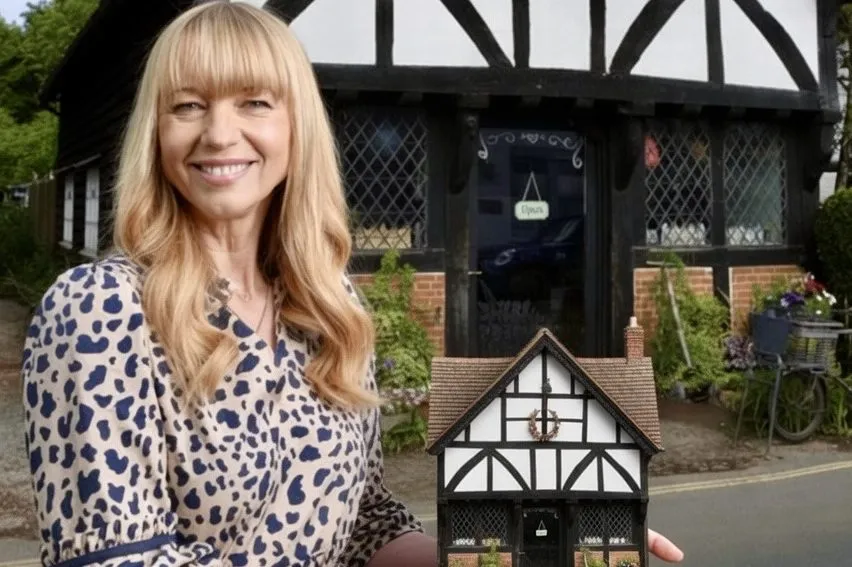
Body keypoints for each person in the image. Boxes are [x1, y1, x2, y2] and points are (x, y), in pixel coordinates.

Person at [20, 2, 685, 566]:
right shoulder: (101, 309)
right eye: (189, 106)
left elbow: (364, 523)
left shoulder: (329, 310)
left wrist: (522, 547)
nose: (219, 134)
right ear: (157, 133)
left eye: (254, 101)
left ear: (294, 127)